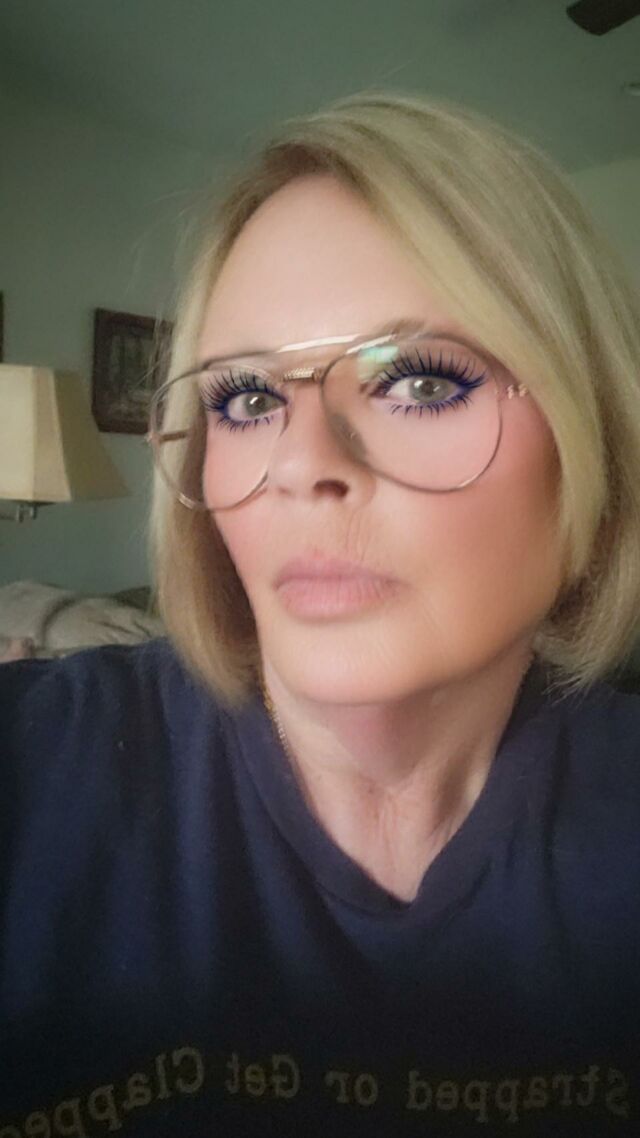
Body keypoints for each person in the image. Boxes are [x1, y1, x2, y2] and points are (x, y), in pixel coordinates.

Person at [2, 91, 640, 1137]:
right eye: (247, 399)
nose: (301, 463)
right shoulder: (33, 770)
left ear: (593, 434)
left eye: (419, 381)